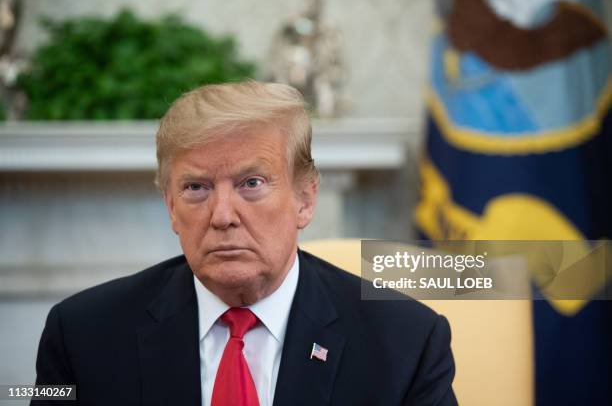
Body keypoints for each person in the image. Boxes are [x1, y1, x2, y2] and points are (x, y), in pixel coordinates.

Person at [32, 81, 457, 405]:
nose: (222, 216)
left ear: (305, 199)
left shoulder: (405, 342)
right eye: (196, 188)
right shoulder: (83, 336)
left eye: (251, 183)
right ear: (171, 208)